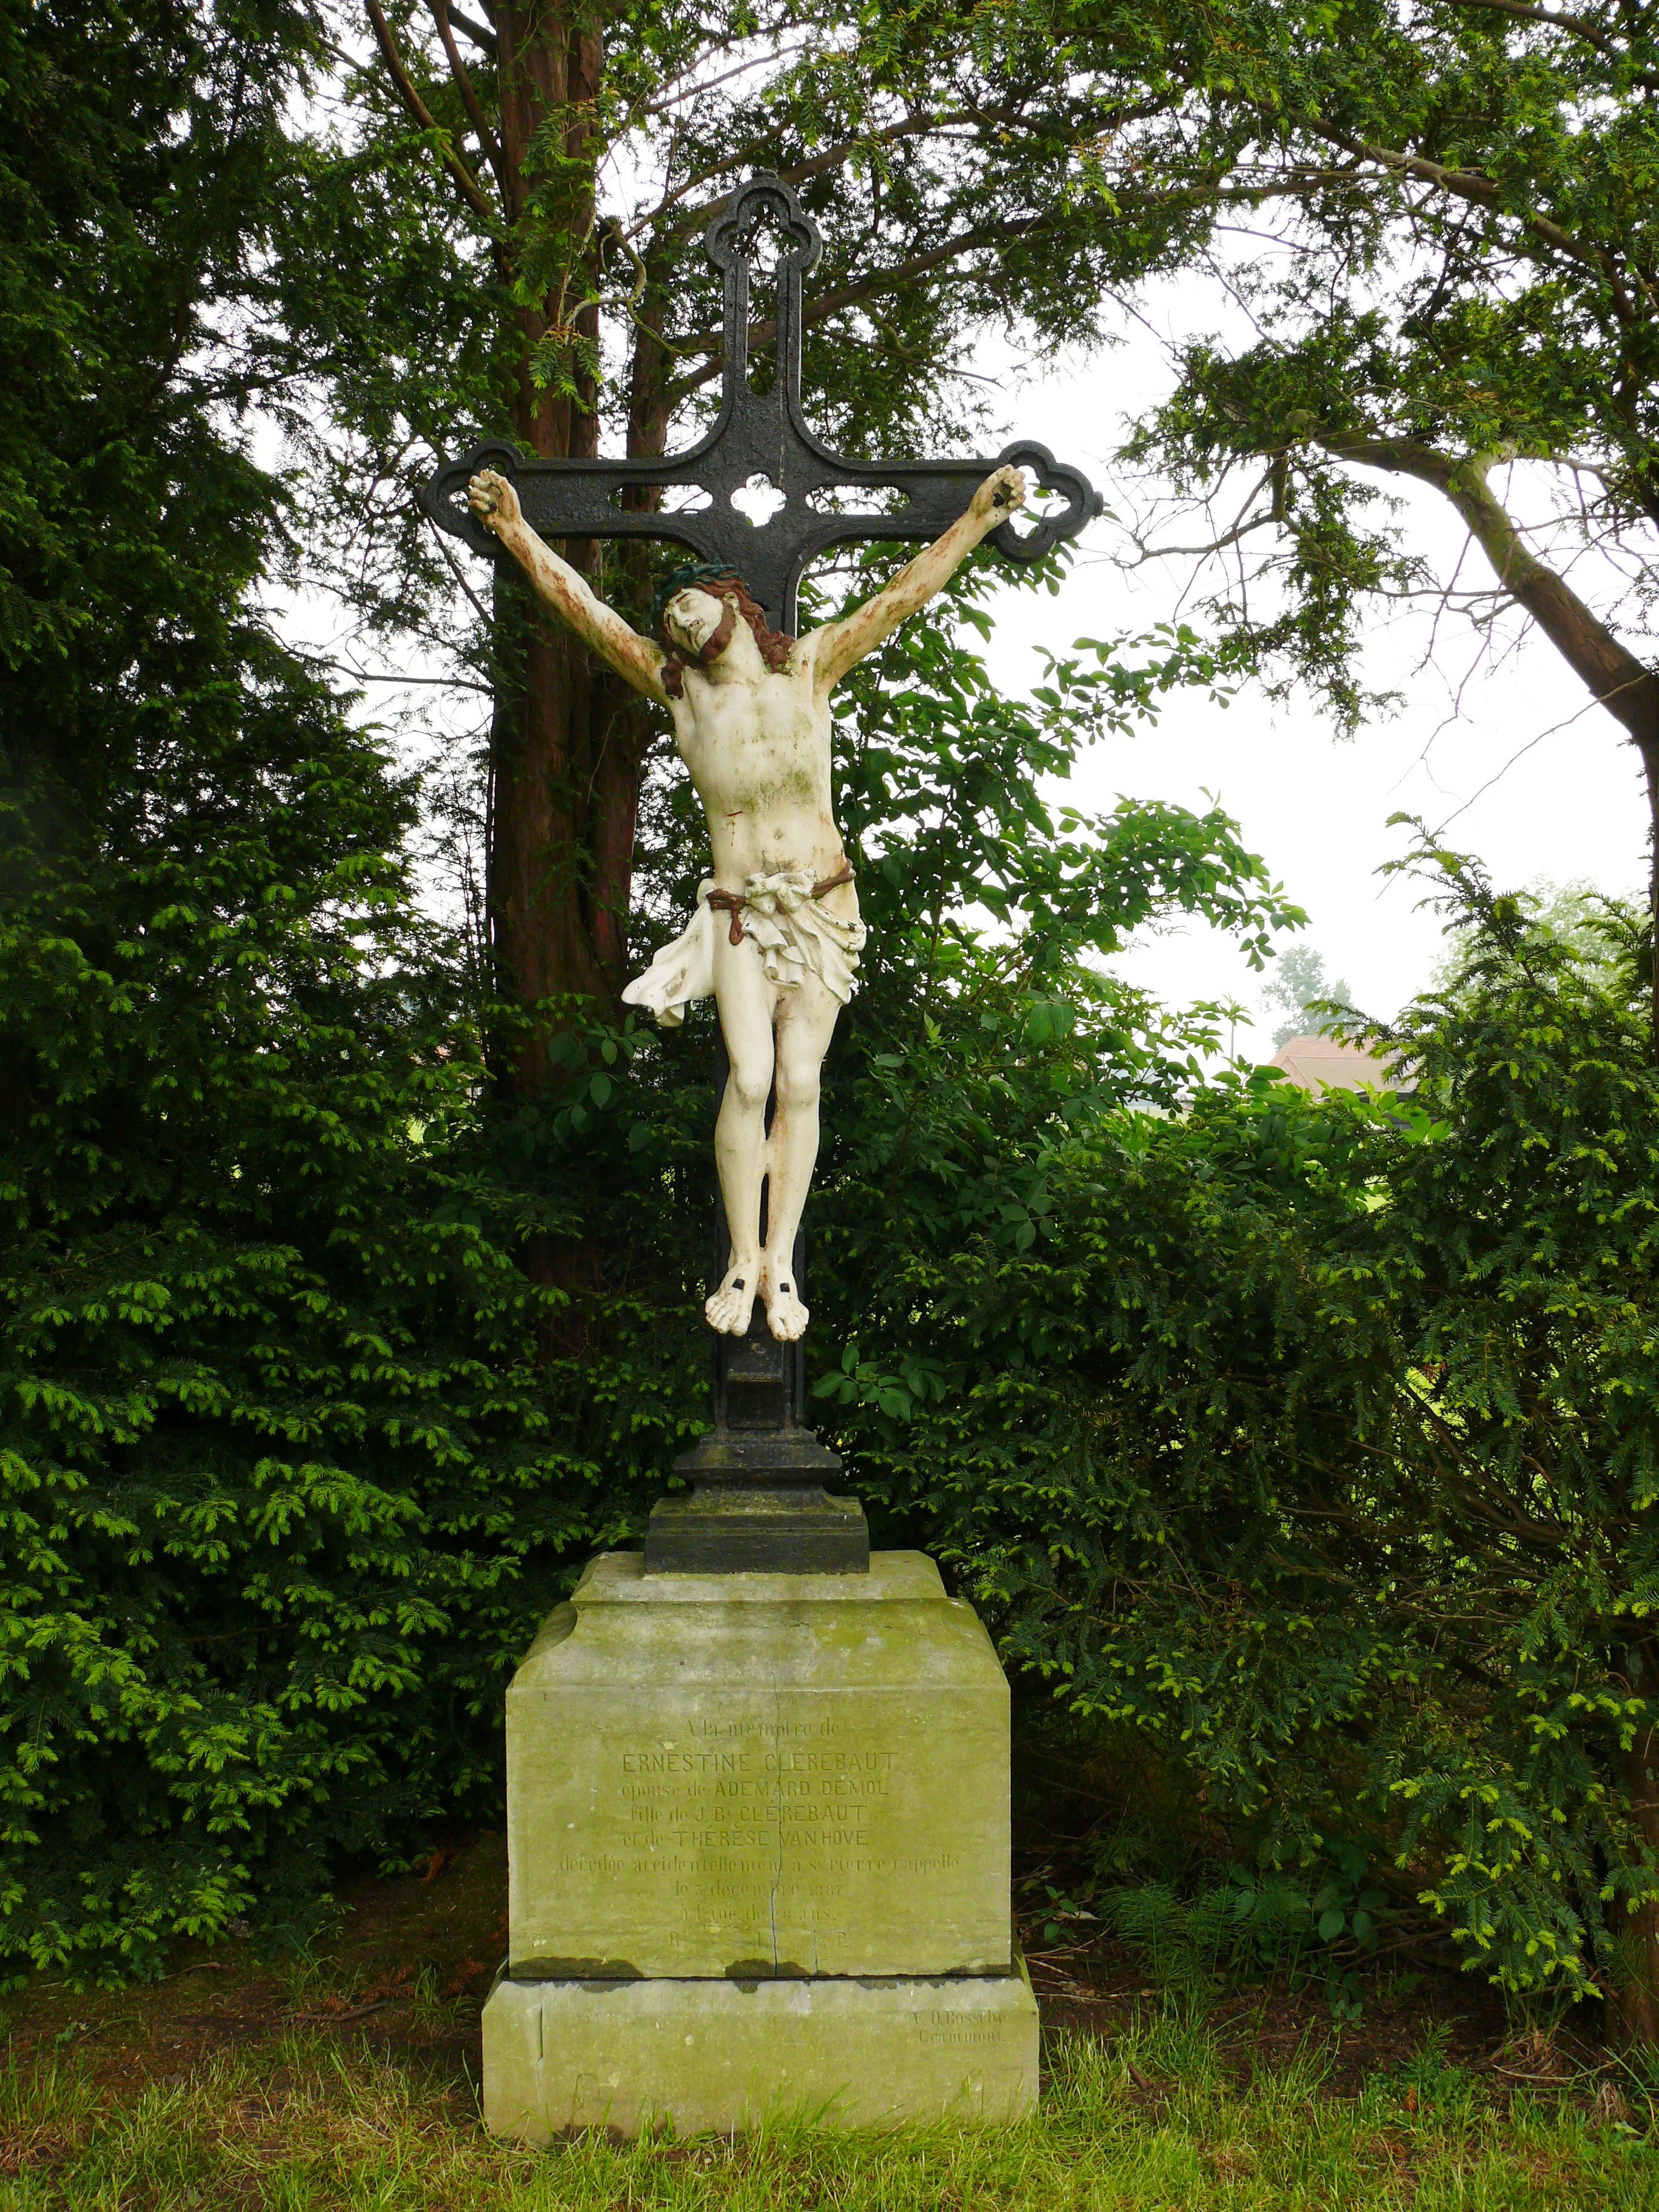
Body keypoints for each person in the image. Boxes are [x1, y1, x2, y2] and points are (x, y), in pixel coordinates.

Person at [467, 462, 1027, 1341]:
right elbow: (590, 615)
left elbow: (900, 598)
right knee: (752, 1076)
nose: (680, 622)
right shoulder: (684, 696)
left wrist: (977, 521)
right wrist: (515, 532)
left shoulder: (807, 668)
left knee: (800, 1084)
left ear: (735, 604)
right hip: (738, 913)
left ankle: (781, 1265)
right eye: (670, 622)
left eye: (691, 607)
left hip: (824, 908)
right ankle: (740, 1257)